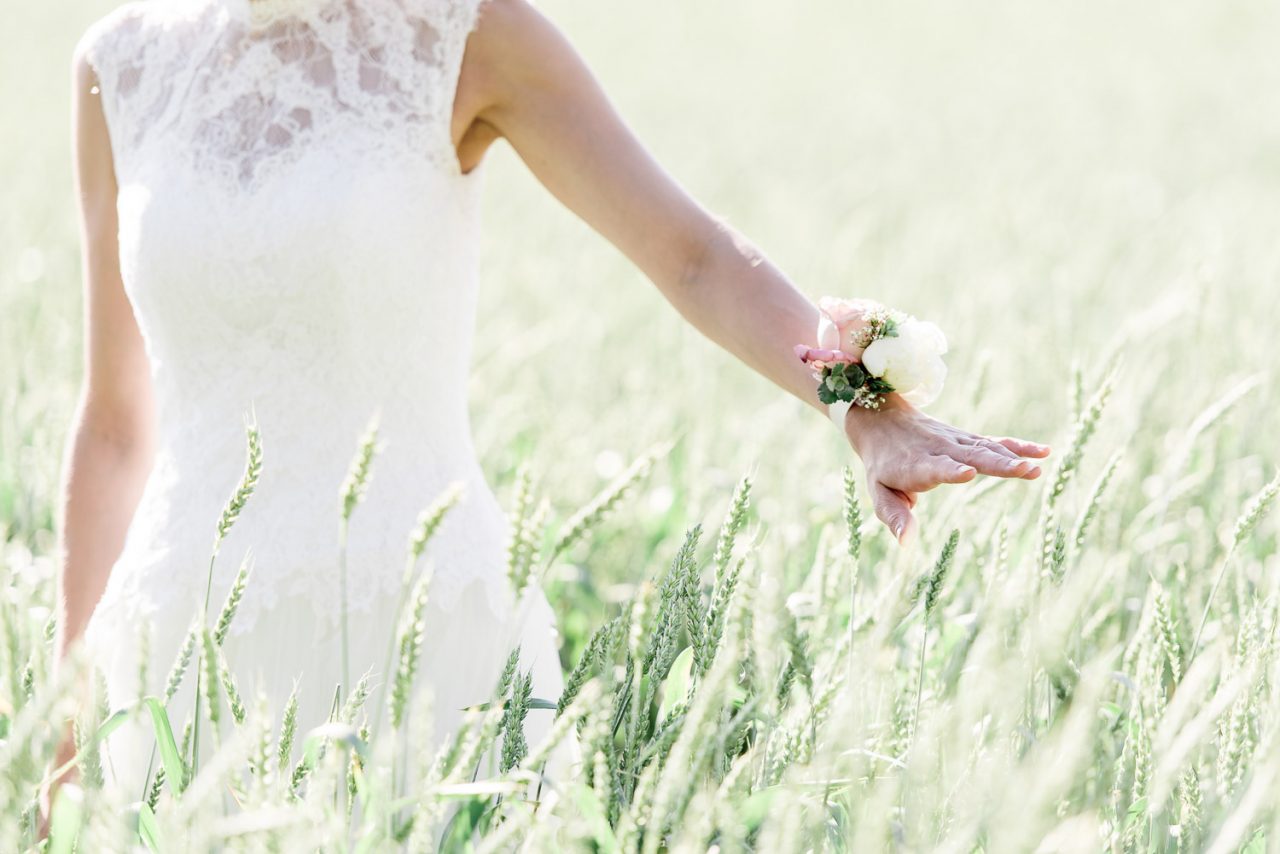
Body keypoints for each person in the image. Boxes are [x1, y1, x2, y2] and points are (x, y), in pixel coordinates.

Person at [50, 0, 1050, 816]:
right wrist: (65, 715)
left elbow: (691, 255)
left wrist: (857, 405)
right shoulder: (120, 66)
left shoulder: (466, 33)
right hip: (178, 647)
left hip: (418, 630)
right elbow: (113, 427)